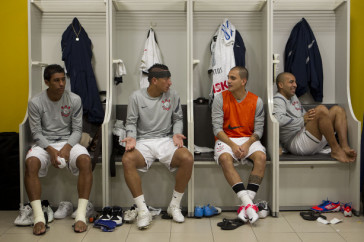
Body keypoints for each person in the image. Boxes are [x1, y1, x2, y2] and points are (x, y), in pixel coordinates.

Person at [122, 63, 193, 229]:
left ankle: (174, 206)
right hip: (144, 141)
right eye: (167, 79)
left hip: (165, 139)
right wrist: (131, 137)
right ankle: (143, 211)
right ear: (154, 80)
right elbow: (131, 122)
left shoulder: (173, 95)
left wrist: (176, 133)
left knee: (187, 158)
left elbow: (177, 119)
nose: (170, 82)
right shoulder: (136, 97)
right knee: (127, 160)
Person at [25, 64, 93, 235]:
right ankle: (39, 217)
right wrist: (51, 150)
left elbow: (77, 130)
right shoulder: (35, 102)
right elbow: (36, 132)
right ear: (47, 82)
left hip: (68, 141)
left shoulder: (74, 99)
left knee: (85, 161)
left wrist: (67, 148)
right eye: (57, 80)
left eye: (63, 79)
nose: (62, 84)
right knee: (31, 163)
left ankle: (81, 215)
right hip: (45, 143)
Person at [211, 66, 266, 224]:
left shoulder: (257, 101)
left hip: (248, 139)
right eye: (228, 77)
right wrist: (233, 145)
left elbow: (259, 130)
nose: (228, 81)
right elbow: (217, 129)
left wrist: (248, 144)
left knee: (261, 157)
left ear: (243, 81)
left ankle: (245, 207)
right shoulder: (220, 98)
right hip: (226, 139)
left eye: (232, 78)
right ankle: (249, 204)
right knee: (225, 159)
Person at [273, 72, 356, 162]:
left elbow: (303, 116)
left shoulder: (293, 97)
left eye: (295, 82)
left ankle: (344, 147)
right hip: (295, 142)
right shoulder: (278, 100)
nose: (295, 85)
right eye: (291, 82)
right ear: (281, 85)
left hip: (306, 136)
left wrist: (309, 116)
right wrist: (302, 120)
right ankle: (335, 149)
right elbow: (278, 120)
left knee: (338, 110)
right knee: (321, 110)